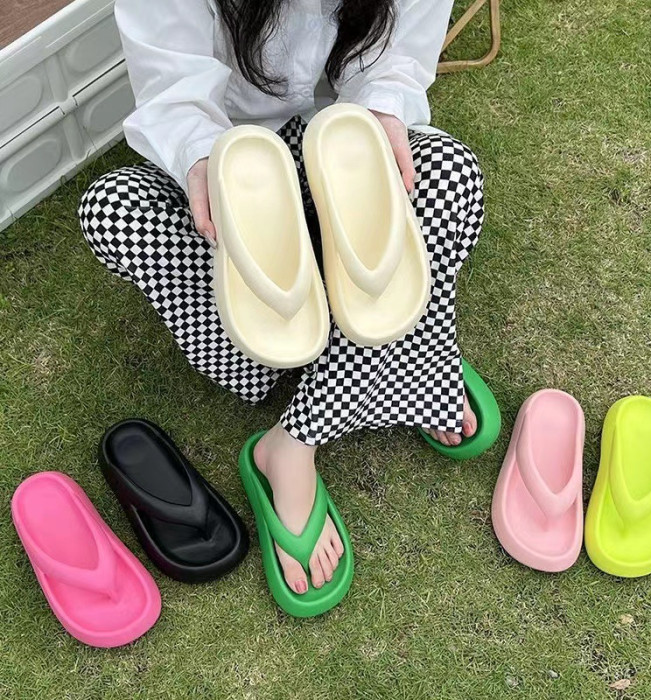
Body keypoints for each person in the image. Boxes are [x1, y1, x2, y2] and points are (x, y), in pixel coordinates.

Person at [79, 0, 485, 596]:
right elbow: (172, 81)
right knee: (114, 208)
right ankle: (403, 357)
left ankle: (294, 442)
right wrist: (201, 160)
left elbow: (396, 56)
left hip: (335, 146)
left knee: (450, 173)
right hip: (239, 157)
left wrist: (383, 113)